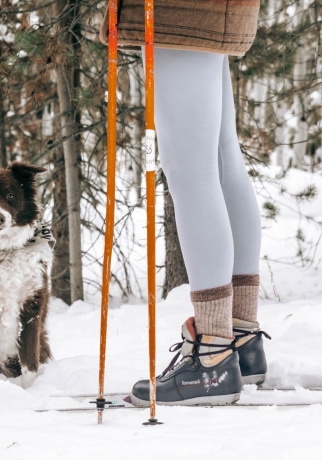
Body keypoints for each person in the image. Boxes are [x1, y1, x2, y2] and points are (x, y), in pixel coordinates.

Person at [100, 1, 269, 405]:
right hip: (213, 11)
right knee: (221, 156)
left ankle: (212, 354)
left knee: (192, 169)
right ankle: (239, 336)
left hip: (179, 11)